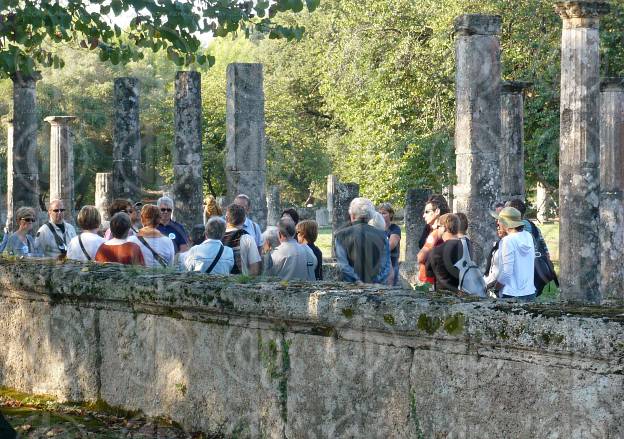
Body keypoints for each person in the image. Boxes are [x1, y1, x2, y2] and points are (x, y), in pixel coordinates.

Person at [335, 197, 390, 284]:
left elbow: (343, 265)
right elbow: (385, 267)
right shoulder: (382, 235)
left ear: (352, 215)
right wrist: (375, 282)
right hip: (376, 288)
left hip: (349, 287)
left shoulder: (341, 235)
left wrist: (357, 281)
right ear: (370, 216)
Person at [493, 207, 536, 301]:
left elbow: (507, 272)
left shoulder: (508, 241)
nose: (497, 223)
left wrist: (496, 288)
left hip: (511, 294)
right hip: (529, 292)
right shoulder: (528, 236)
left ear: (506, 223)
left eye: (499, 221)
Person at [425, 214, 474, 293]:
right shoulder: (468, 246)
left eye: (438, 227)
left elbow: (428, 273)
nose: (436, 229)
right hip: (465, 293)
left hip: (443, 295)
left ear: (444, 228)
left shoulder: (436, 251)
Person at [417, 194, 450, 284]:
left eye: (427, 212)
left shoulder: (445, 231)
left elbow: (420, 257)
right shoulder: (428, 228)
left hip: (439, 280)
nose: (424, 215)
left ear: (437, 211)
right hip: (426, 277)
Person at [222, 203, 261, 275]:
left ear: (226, 218)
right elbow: (254, 270)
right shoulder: (247, 238)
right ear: (244, 219)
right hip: (240, 283)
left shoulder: (218, 237)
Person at [484, 211, 507, 297]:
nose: (497, 226)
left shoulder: (507, 243)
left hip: (500, 291)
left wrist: (492, 287)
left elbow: (504, 272)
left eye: (499, 224)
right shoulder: (500, 242)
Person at [379, 203, 401, 286]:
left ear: (390, 214)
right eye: (379, 213)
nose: (381, 215)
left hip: (392, 263)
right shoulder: (376, 228)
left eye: (384, 213)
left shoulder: (395, 228)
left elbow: (391, 245)